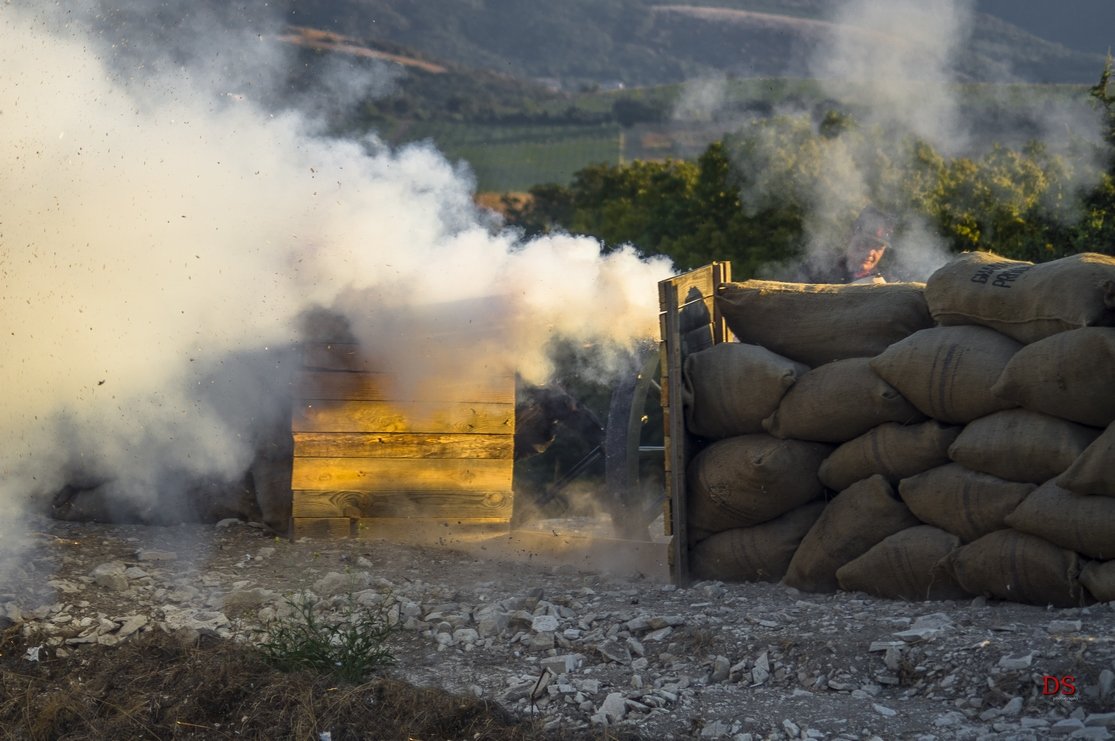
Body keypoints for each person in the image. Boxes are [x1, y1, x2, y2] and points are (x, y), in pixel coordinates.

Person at [807, 205, 897, 284]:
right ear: (849, 238)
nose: (870, 252)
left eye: (878, 247)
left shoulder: (889, 284)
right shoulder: (820, 270)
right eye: (865, 243)